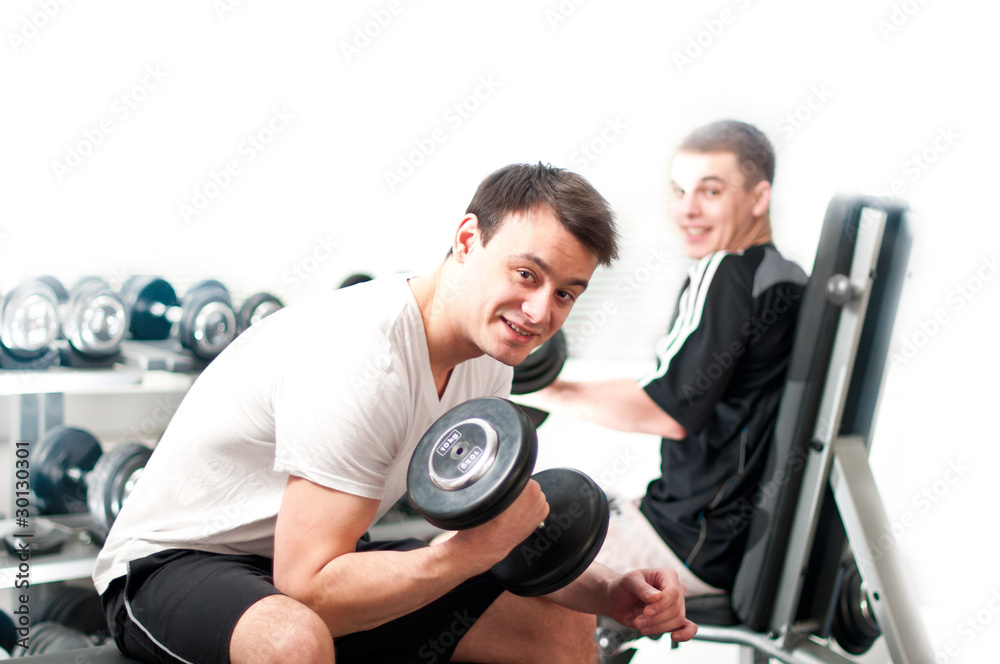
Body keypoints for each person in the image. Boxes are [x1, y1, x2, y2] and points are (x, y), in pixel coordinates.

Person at [92, 162, 697, 664]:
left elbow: (497, 532)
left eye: (564, 293)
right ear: (467, 241)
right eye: (525, 274)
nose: (540, 312)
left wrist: (610, 591)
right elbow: (309, 591)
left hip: (319, 557)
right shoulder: (361, 356)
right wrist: (462, 556)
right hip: (177, 563)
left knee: (559, 628)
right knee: (292, 641)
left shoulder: (489, 358)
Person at [525, 121, 809, 597]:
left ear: (758, 198)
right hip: (724, 539)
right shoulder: (789, 279)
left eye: (710, 192)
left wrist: (540, 390)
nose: (687, 210)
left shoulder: (725, 271)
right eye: (679, 190)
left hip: (687, 541)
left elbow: (668, 409)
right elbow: (686, 388)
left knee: (477, 551)